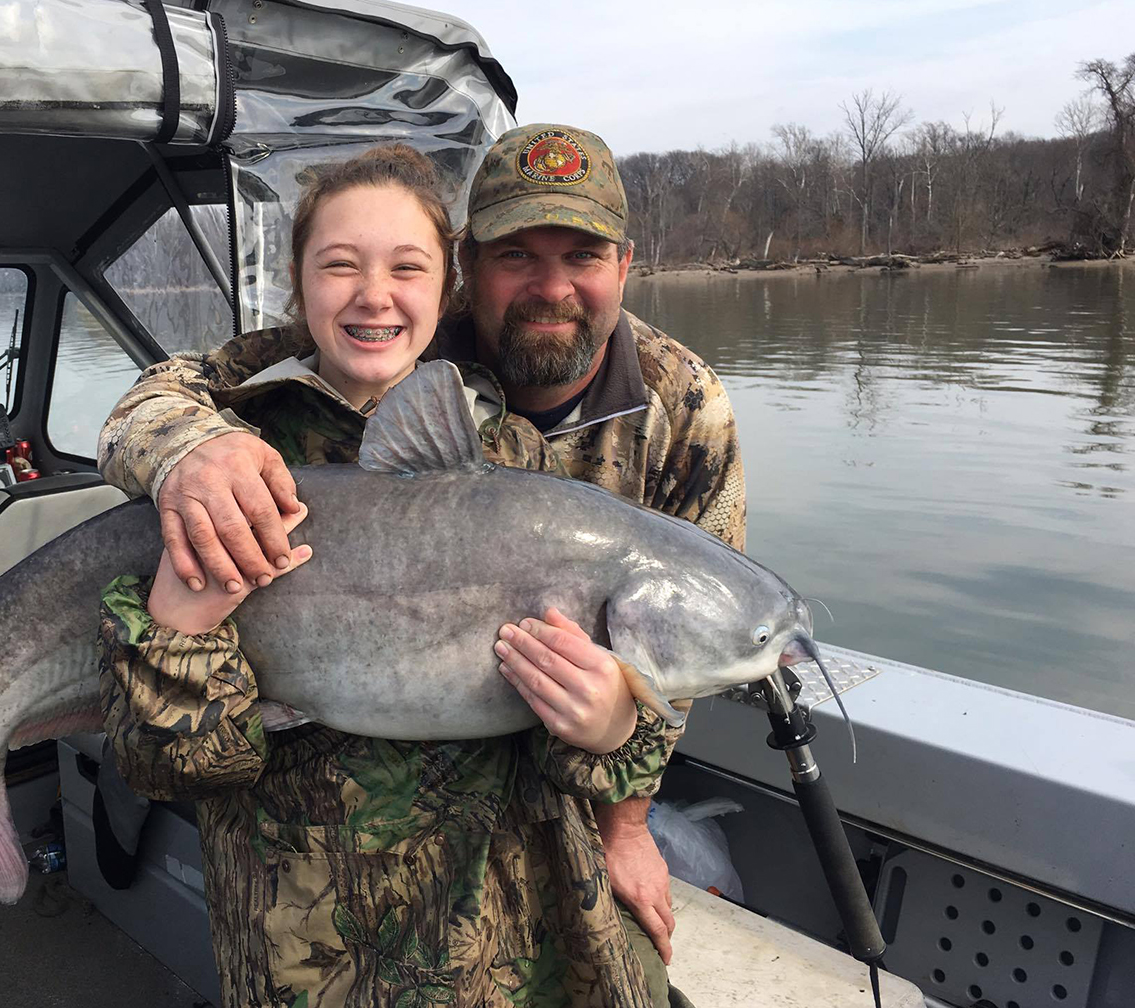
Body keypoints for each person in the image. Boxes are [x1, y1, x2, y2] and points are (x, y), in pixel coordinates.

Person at [99, 126, 746, 1005]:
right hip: (309, 904)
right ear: (470, 274)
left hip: (511, 866)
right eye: (516, 254)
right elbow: (164, 392)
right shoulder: (311, 375)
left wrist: (624, 810)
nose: (549, 285)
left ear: (625, 264)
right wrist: (191, 451)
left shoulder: (679, 406)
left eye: (581, 254)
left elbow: (678, 648)